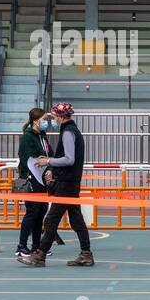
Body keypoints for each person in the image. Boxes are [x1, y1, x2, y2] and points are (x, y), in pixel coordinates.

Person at [17, 102, 92, 267]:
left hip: (66, 184)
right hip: (72, 182)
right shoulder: (73, 131)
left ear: (60, 116)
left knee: (51, 220)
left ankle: (40, 255)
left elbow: (69, 159)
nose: (52, 120)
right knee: (77, 220)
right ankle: (86, 253)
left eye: (54, 116)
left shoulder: (67, 132)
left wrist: (48, 161)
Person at [16, 107, 52, 257]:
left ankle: (37, 246)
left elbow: (50, 155)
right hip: (31, 179)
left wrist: (50, 168)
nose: (47, 123)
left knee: (41, 212)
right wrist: (43, 164)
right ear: (37, 121)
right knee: (32, 212)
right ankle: (21, 246)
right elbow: (28, 159)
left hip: (42, 180)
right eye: (44, 120)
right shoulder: (27, 137)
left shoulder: (43, 136)